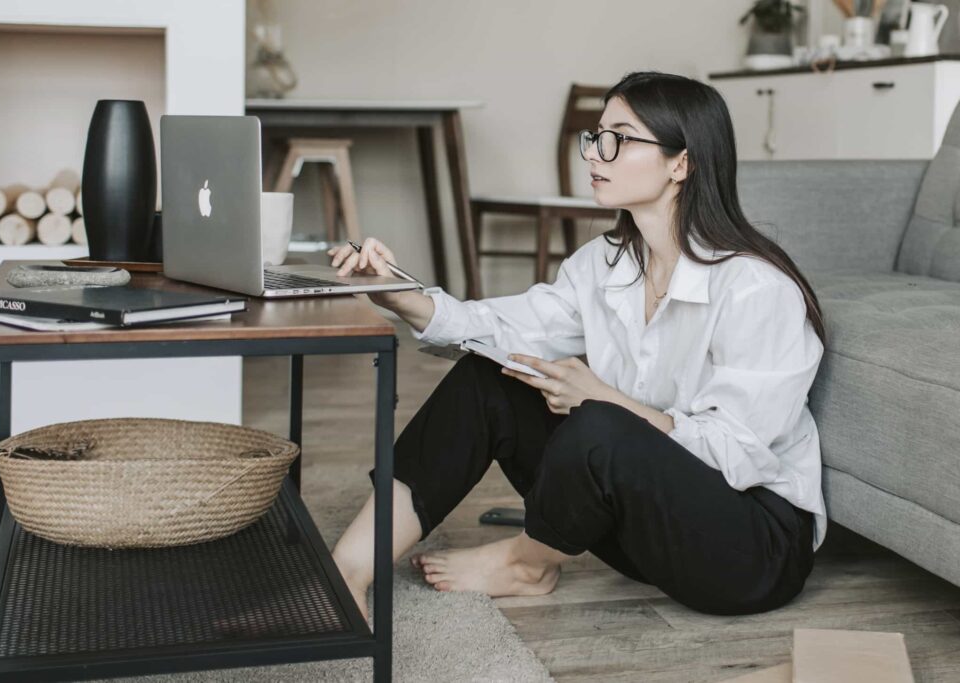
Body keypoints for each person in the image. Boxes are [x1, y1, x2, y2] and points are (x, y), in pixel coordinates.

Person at [327, 71, 826, 621]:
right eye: (596, 136)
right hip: (653, 529)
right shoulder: (606, 262)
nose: (595, 153)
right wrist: (396, 292)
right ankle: (348, 570)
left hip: (751, 548)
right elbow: (498, 327)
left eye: (620, 138)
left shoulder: (756, 290)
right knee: (490, 376)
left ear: (680, 163)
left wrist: (605, 401)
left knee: (600, 423)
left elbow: (738, 454)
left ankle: (527, 562)